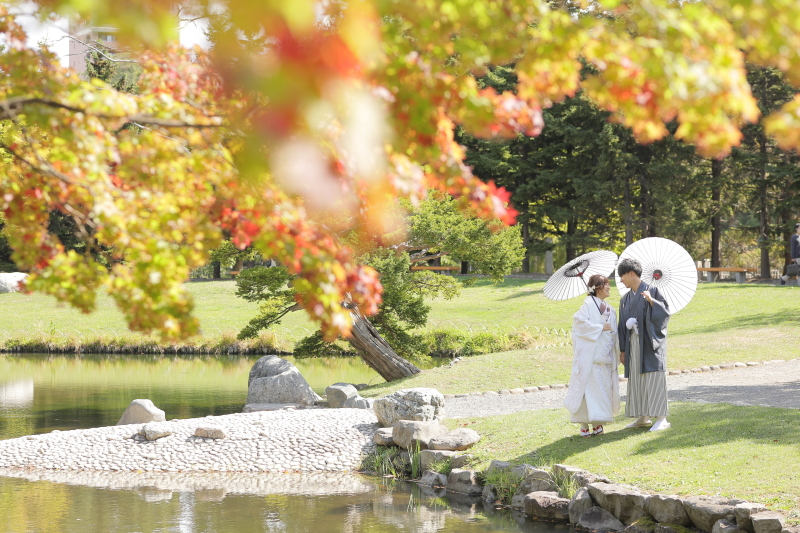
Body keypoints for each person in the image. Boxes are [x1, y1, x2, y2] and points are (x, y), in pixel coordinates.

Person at [617, 258, 671, 431]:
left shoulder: (652, 291)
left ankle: (661, 417)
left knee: (653, 377)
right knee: (637, 378)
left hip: (649, 342)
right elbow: (621, 324)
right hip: (632, 343)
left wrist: (651, 302)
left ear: (632, 273)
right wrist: (623, 350)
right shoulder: (625, 299)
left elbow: (664, 314)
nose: (621, 280)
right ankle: (643, 416)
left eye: (622, 275)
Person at [564, 274, 620, 437]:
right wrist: (599, 327)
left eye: (609, 284)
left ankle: (598, 422)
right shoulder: (588, 304)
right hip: (590, 357)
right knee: (586, 391)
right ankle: (583, 423)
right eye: (605, 284)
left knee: (601, 391)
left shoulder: (610, 308)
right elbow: (579, 323)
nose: (609, 287)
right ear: (596, 287)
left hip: (605, 356)